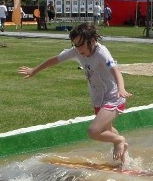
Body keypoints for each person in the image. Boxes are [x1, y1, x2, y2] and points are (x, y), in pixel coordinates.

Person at [18, 23, 132, 161]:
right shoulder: (77, 51)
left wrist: (121, 88)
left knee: (94, 131)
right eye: (75, 44)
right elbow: (55, 60)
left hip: (113, 97)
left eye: (80, 44)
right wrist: (34, 70)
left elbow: (115, 70)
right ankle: (124, 159)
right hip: (98, 98)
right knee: (108, 131)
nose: (78, 48)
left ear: (92, 41)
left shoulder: (101, 53)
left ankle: (119, 141)